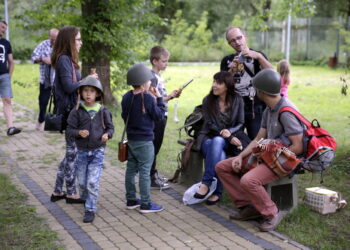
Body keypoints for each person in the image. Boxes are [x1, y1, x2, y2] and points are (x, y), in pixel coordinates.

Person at [216, 69, 304, 232]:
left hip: (285, 160)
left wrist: (270, 160)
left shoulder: (286, 112)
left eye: (255, 88)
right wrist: (241, 156)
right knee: (223, 167)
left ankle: (272, 213)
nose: (254, 92)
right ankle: (249, 207)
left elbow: (297, 146)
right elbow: (258, 139)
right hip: (268, 154)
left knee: (248, 180)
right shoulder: (268, 109)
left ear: (262, 91)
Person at [50, 26, 98, 203]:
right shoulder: (63, 59)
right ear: (70, 41)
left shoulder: (67, 60)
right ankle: (70, 193)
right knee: (73, 154)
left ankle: (57, 191)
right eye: (78, 39)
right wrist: (87, 81)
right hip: (69, 115)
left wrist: (88, 79)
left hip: (72, 112)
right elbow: (70, 87)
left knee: (71, 154)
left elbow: (72, 83)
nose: (81, 42)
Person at [193, 71, 250, 205]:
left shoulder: (238, 100)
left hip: (229, 138)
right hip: (208, 137)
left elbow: (241, 123)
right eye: (213, 82)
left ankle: (206, 184)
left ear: (227, 86)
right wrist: (223, 133)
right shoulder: (208, 100)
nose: (214, 85)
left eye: (218, 83)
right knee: (219, 149)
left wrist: (229, 133)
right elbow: (209, 123)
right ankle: (216, 191)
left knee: (218, 143)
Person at [66, 77, 114, 223]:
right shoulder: (76, 111)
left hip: (97, 151)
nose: (88, 94)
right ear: (80, 92)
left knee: (92, 182)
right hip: (81, 151)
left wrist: (107, 135)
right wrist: (78, 132)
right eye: (85, 91)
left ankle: (90, 209)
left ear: (97, 94)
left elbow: (110, 128)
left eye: (92, 91)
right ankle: (86, 198)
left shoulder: (103, 110)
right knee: (82, 182)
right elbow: (69, 130)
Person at [121, 63, 166, 213]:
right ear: (142, 83)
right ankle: (146, 204)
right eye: (148, 81)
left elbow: (124, 115)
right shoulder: (147, 98)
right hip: (145, 141)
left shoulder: (126, 97)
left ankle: (131, 199)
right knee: (145, 172)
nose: (150, 83)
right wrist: (159, 98)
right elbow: (159, 116)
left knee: (131, 169)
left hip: (132, 139)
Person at [220, 26, 272, 140]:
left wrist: (258, 57)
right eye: (232, 41)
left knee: (257, 142)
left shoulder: (258, 55)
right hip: (235, 108)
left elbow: (272, 76)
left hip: (256, 108)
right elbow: (221, 85)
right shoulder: (227, 60)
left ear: (245, 37)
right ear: (229, 44)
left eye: (239, 38)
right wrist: (231, 70)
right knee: (235, 141)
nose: (237, 42)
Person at [149, 46, 181, 189]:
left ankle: (153, 173)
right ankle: (150, 178)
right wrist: (170, 97)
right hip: (157, 117)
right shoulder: (152, 78)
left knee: (156, 147)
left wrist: (170, 97)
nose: (166, 64)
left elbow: (160, 98)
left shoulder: (157, 76)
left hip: (162, 115)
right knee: (154, 147)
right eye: (164, 61)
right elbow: (154, 100)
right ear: (155, 61)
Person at [31, 28, 59, 131]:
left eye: (56, 39)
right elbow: (33, 57)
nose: (55, 41)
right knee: (43, 102)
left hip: (58, 81)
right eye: (53, 39)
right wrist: (43, 59)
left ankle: (55, 125)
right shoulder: (43, 45)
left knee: (58, 103)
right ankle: (41, 120)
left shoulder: (62, 46)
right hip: (45, 80)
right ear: (49, 37)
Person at [0, 21, 21, 136]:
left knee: (7, 100)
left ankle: (10, 128)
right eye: (2, 27)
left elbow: (11, 62)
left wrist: (9, 76)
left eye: (5, 28)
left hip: (4, 76)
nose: (4, 30)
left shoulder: (6, 43)